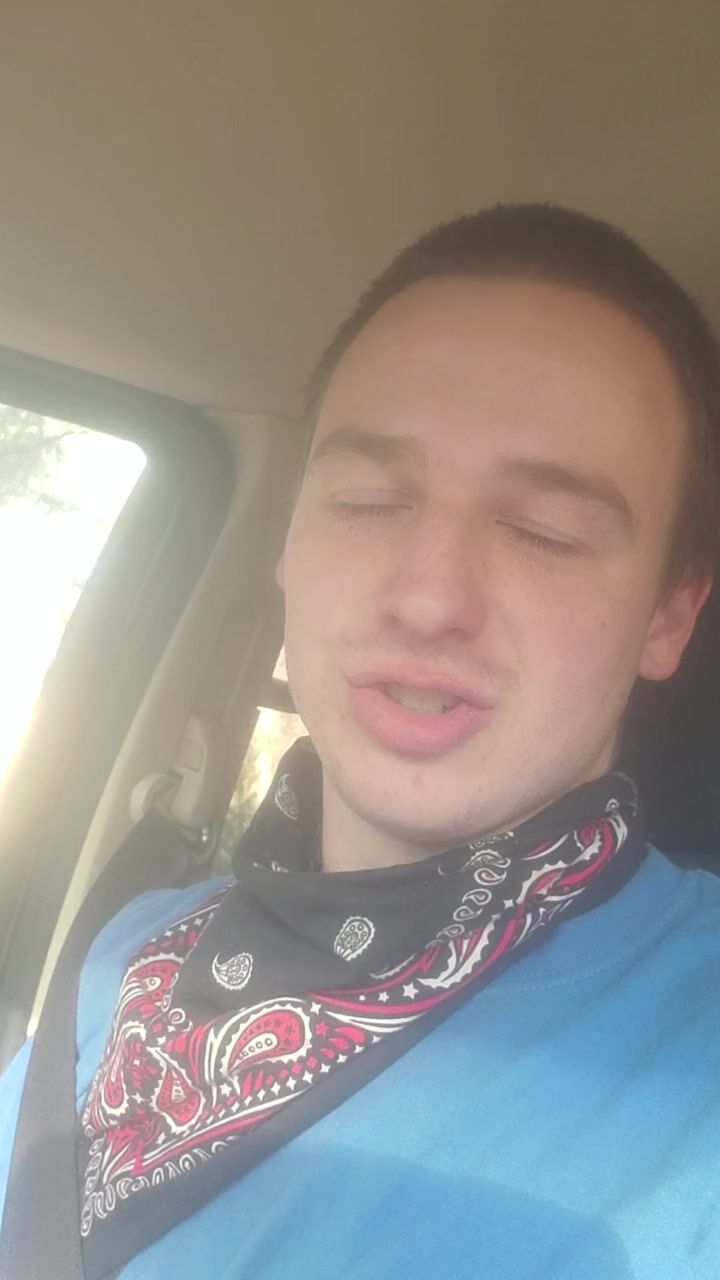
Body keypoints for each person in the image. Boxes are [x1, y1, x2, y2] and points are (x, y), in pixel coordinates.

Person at [2, 203, 720, 1279]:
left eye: (545, 531)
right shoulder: (127, 950)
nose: (428, 597)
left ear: (669, 615)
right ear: (290, 540)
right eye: (369, 499)